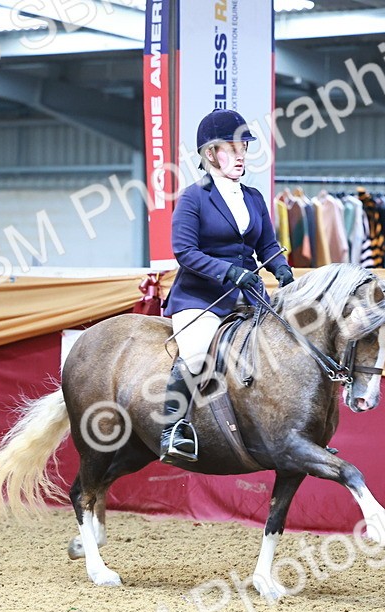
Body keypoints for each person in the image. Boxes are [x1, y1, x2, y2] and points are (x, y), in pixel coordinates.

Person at [161, 108, 294, 463]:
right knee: (196, 353)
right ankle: (173, 429)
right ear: (210, 154)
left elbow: (266, 244)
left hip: (251, 294)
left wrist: (281, 267)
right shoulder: (194, 197)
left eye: (244, 148)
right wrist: (228, 273)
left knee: (284, 345)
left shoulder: (252, 196)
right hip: (201, 296)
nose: (241, 155)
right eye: (232, 148)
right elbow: (184, 251)